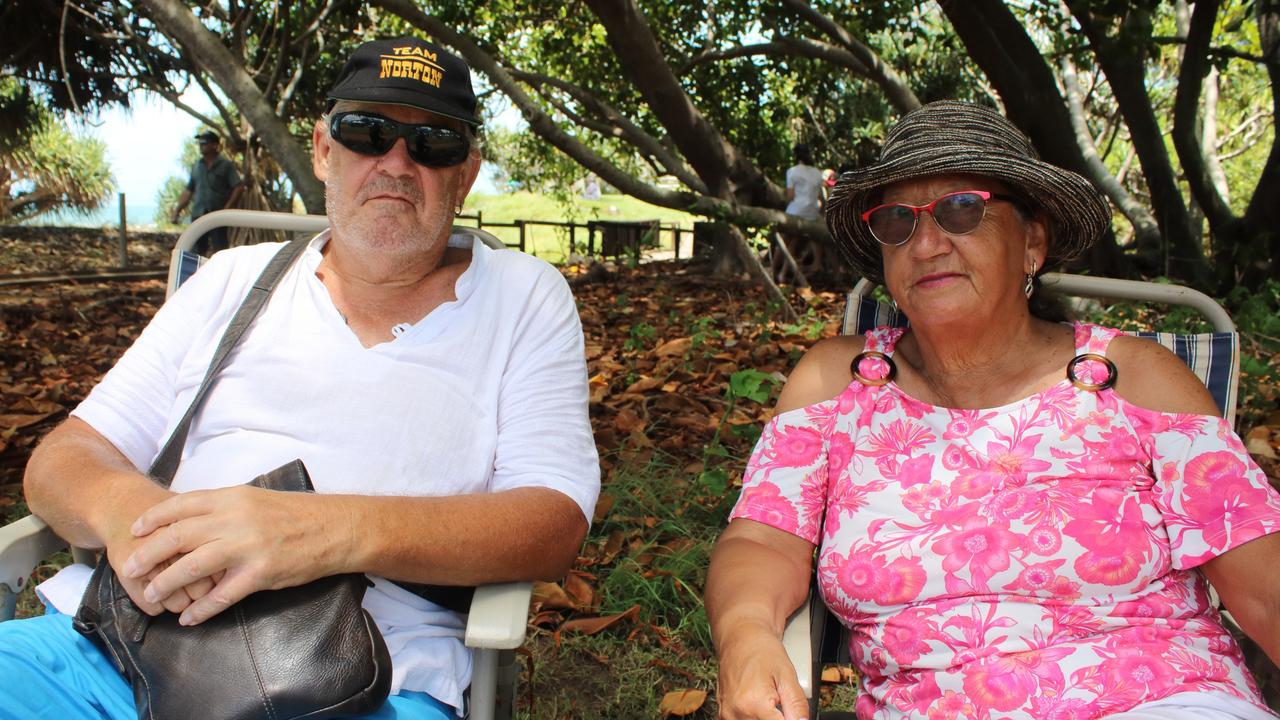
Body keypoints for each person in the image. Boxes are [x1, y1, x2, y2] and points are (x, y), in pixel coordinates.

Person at [4, 36, 599, 720]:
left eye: (432, 144)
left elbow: (552, 522)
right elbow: (63, 459)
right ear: (322, 149)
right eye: (366, 131)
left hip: (366, 677)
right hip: (115, 647)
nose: (396, 163)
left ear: (464, 174)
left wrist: (318, 533)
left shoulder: (524, 297)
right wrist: (143, 527)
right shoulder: (231, 279)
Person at [706, 101, 1280, 719]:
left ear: (1032, 241)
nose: (925, 244)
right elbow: (763, 540)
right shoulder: (834, 383)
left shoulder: (1135, 380)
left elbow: (1266, 590)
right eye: (898, 221)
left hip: (1162, 698)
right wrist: (745, 634)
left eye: (962, 209)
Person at [170, 130, 245, 255]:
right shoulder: (196, 166)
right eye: (200, 143)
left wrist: (226, 209)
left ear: (215, 145)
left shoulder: (225, 165)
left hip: (217, 216)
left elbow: (239, 187)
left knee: (220, 251)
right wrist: (177, 210)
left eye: (205, 142)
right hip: (198, 215)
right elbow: (189, 190)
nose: (201, 145)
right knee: (195, 252)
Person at [773, 142, 826, 283]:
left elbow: (790, 196)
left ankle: (774, 270)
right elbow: (820, 197)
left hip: (795, 212)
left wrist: (783, 200)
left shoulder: (792, 171)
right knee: (794, 241)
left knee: (783, 240)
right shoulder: (817, 173)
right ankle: (783, 273)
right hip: (811, 214)